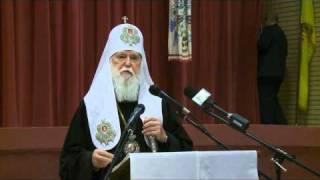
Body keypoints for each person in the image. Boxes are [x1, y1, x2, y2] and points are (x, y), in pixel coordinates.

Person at [59, 21, 193, 180]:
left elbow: (187, 155)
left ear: (141, 64)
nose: (128, 63)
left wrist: (164, 137)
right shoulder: (91, 106)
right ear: (109, 61)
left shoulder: (158, 103)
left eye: (134, 58)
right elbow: (67, 164)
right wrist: (91, 161)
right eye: (121, 56)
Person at [257, 12, 287, 124]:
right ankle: (282, 123)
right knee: (272, 98)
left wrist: (259, 35)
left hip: (267, 73)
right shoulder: (282, 34)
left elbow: (261, 46)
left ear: (267, 20)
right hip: (279, 73)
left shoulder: (268, 31)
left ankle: (268, 126)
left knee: (265, 100)